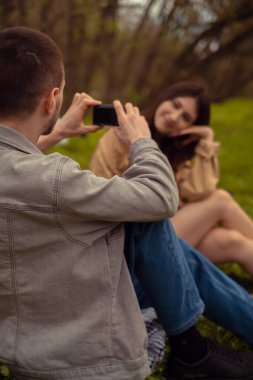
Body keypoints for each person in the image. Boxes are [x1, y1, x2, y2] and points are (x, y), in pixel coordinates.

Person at [2, 26, 253, 380]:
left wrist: (55, 132)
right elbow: (155, 200)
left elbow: (17, 169)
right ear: (52, 99)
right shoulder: (64, 172)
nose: (177, 118)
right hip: (86, 341)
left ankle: (196, 348)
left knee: (217, 242)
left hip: (23, 336)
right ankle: (192, 350)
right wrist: (142, 142)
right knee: (163, 230)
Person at [88, 81, 253, 276]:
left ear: (191, 127)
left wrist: (206, 142)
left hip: (163, 232)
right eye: (175, 105)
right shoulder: (119, 135)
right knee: (221, 200)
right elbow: (101, 191)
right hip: (127, 240)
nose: (174, 117)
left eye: (186, 117)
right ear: (164, 98)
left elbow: (198, 192)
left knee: (232, 241)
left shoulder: (175, 155)